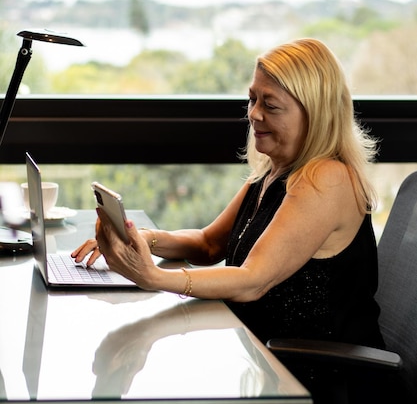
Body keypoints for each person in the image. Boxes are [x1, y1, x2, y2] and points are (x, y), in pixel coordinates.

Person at [72, 37, 384, 351]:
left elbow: (253, 280)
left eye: (270, 105)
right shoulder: (272, 170)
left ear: (314, 114)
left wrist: (152, 276)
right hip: (260, 351)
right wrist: (143, 238)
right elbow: (209, 244)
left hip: (319, 377)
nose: (254, 114)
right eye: (253, 99)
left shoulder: (328, 179)